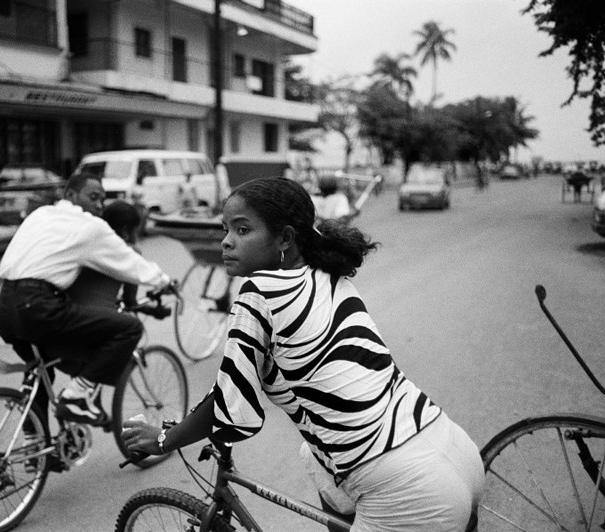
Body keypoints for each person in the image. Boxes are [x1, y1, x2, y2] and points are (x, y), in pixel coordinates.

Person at [122, 177, 484, 531]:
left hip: (405, 488)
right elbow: (242, 383)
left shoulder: (260, 292)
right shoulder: (327, 274)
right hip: (450, 447)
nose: (227, 242)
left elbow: (232, 407)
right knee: (311, 455)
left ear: (285, 238)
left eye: (243, 230)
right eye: (226, 229)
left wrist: (163, 440)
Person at [0, 172, 171, 426]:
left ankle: (35, 446)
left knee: (40, 371)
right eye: (93, 197)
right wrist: (165, 282)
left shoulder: (41, 215)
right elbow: (133, 264)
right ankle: (78, 397)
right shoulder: (92, 228)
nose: (99, 204)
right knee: (129, 329)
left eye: (102, 199)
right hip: (39, 305)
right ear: (70, 195)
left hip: (5, 309)